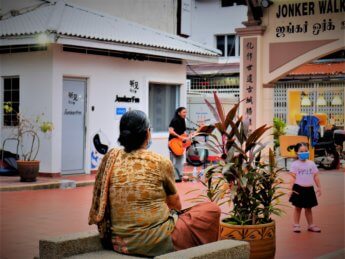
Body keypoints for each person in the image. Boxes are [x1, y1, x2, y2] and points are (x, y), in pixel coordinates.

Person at [89, 110, 221, 257]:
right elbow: (175, 205)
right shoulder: (159, 161)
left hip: (119, 243)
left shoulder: (112, 158)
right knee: (212, 209)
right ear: (147, 133)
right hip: (155, 242)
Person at [289, 142, 322, 233]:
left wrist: (319, 187)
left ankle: (311, 225)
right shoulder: (295, 164)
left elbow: (315, 176)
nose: (304, 153)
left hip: (309, 189)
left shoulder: (311, 163)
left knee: (308, 208)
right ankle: (296, 225)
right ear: (296, 153)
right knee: (297, 208)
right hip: (298, 189)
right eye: (301, 151)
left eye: (306, 151)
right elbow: (292, 177)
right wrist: (290, 189)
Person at [168, 107, 188, 177]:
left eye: (186, 112)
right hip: (173, 142)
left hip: (179, 142)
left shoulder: (183, 120)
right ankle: (175, 175)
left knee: (180, 158)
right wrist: (179, 137)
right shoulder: (174, 120)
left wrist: (186, 137)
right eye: (184, 112)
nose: (185, 114)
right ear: (179, 113)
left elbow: (182, 132)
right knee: (177, 158)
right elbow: (171, 131)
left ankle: (178, 175)